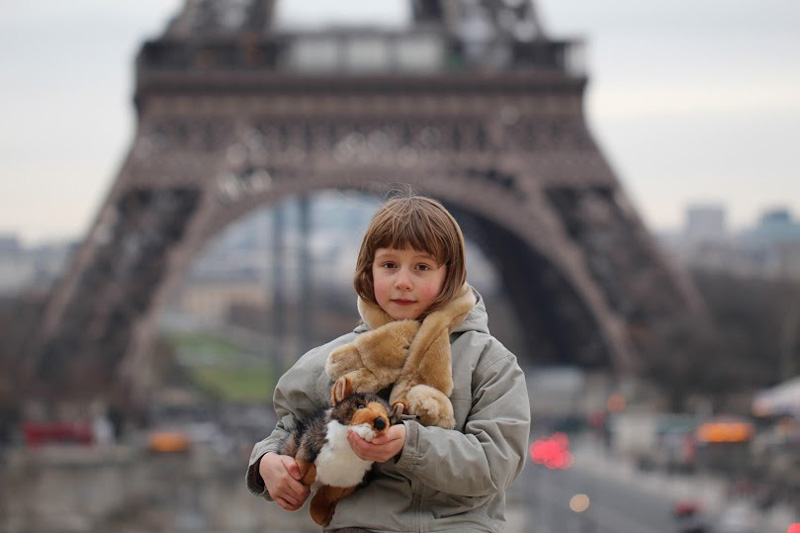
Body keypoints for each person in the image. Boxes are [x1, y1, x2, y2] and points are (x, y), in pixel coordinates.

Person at [246, 194, 531, 532]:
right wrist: (267, 463)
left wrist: (409, 444)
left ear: (449, 276)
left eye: (421, 267)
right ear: (368, 272)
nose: (403, 281)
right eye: (389, 265)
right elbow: (290, 428)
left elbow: (497, 464)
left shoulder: (490, 362)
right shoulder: (334, 361)